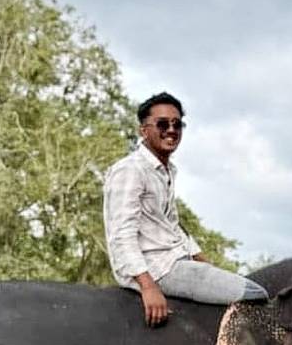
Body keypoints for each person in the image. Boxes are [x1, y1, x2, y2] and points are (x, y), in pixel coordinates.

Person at [103, 92, 268, 326]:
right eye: (162, 123)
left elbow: (172, 226)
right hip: (159, 269)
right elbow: (121, 235)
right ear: (143, 130)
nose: (171, 129)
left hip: (176, 261)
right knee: (255, 293)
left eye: (177, 124)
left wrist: (204, 261)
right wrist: (148, 286)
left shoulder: (166, 170)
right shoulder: (130, 170)